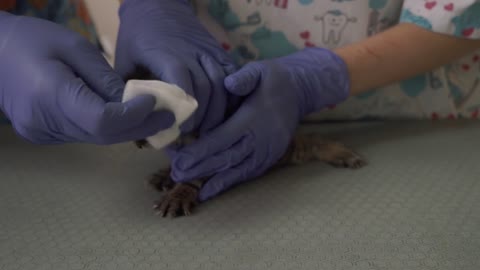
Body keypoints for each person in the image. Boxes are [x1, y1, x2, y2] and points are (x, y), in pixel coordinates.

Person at [165, 0, 480, 201]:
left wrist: (312, 78)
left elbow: (464, 12)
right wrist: (150, 8)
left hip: (416, 101)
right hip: (221, 94)